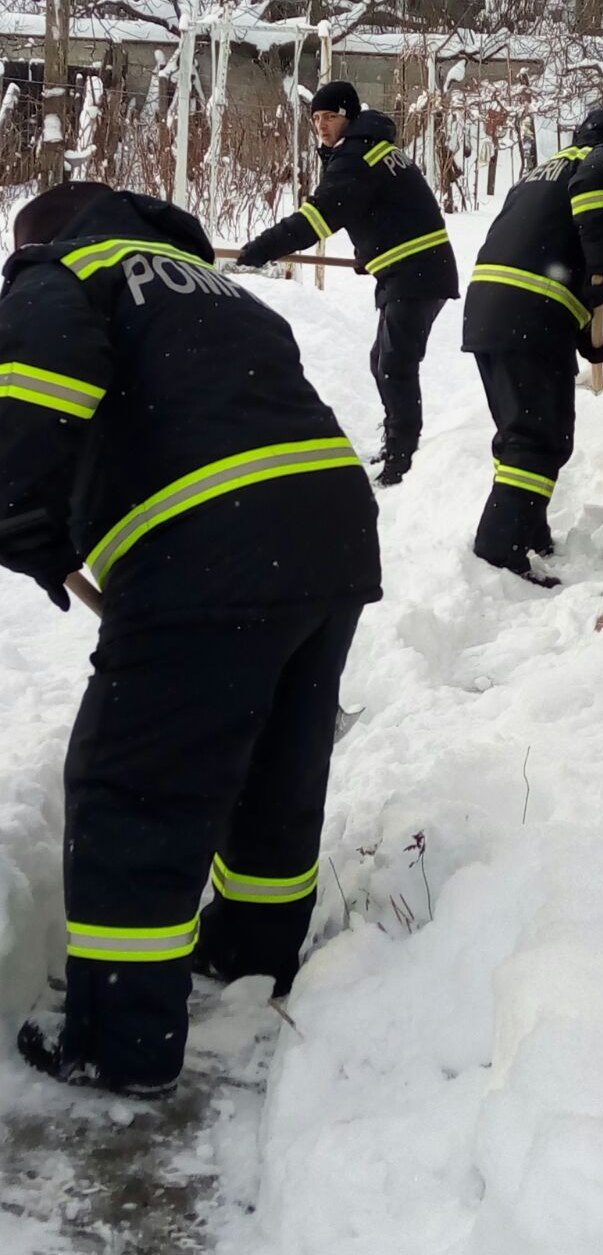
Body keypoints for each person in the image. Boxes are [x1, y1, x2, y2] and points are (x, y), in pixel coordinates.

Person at [0, 179, 381, 1098]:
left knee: (133, 783)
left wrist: (18, 515)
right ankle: (252, 950)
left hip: (208, 545)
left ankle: (121, 1041)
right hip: (331, 531)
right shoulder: (212, 285)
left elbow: (35, 383)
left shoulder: (65, 270)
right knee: (277, 765)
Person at [462, 107, 603, 585]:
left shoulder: (544, 172)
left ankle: (528, 531)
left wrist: (588, 340)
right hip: (530, 314)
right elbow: (596, 199)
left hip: (492, 310)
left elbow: (546, 251)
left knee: (521, 433)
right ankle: (500, 550)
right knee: (539, 440)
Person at [238, 81, 459, 486]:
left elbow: (317, 218)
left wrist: (260, 249)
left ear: (349, 117)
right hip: (413, 268)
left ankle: (403, 458)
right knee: (384, 361)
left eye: (330, 117)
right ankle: (397, 445)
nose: (322, 126)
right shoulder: (373, 148)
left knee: (395, 365)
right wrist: (371, 252)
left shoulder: (357, 156)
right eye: (316, 119)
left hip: (417, 271)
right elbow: (391, 208)